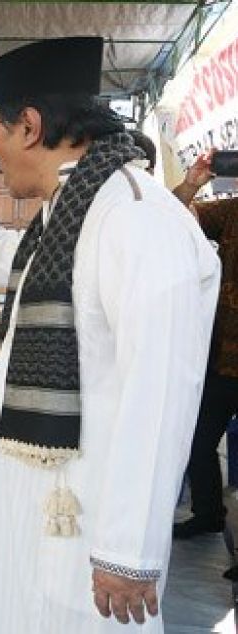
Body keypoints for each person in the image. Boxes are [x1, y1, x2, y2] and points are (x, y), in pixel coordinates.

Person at [0, 37, 218, 630]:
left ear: (28, 125)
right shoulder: (71, 215)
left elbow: (160, 387)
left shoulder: (137, 217)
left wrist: (128, 552)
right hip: (31, 510)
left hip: (84, 534)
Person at [170, 151, 238, 539]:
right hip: (221, 361)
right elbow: (171, 215)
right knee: (197, 443)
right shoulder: (230, 213)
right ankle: (208, 514)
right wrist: (194, 181)